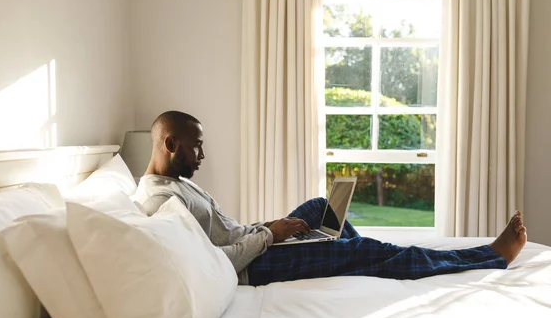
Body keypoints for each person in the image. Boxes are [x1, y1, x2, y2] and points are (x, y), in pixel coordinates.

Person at [132, 110, 528, 286]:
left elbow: (226, 232)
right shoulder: (160, 202)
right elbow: (214, 263)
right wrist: (271, 235)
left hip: (258, 244)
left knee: (320, 208)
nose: (202, 156)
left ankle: (347, 249)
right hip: (256, 268)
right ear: (169, 143)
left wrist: (269, 227)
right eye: (196, 147)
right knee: (372, 249)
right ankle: (489, 256)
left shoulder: (176, 184)